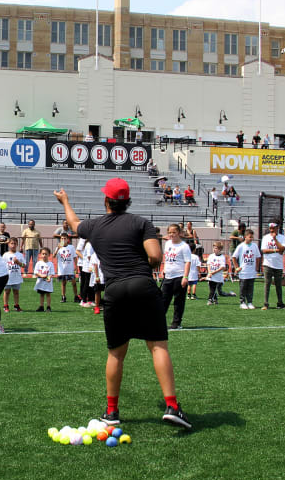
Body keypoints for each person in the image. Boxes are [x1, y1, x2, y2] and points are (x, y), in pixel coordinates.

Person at [53, 178, 191, 429]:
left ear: (106, 200)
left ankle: (112, 411)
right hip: (143, 285)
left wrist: (65, 201)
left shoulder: (95, 226)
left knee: (116, 353)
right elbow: (155, 256)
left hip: (115, 290)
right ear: (127, 201)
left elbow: (73, 224)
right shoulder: (141, 223)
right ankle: (172, 405)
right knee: (158, 346)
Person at [160, 224, 192, 329]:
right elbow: (166, 258)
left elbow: (187, 262)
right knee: (163, 300)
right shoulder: (168, 244)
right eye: (169, 232)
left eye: (174, 232)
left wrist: (185, 277)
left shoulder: (184, 246)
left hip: (179, 276)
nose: (171, 234)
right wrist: (164, 269)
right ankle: (159, 322)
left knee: (178, 301)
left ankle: (176, 323)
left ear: (179, 233)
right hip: (168, 276)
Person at [231, 229, 261, 310]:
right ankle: (242, 302)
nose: (251, 238)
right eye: (250, 237)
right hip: (243, 272)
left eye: (252, 237)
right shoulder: (241, 246)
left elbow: (258, 257)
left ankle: (250, 302)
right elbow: (234, 257)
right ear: (245, 237)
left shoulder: (254, 246)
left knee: (250, 287)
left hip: (252, 271)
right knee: (243, 287)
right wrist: (237, 267)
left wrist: (257, 267)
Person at [261, 222, 285, 310]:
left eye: (273, 228)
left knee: (278, 285)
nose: (272, 230)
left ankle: (280, 303)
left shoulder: (282, 237)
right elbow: (264, 250)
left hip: (278, 264)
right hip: (268, 263)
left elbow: (282, 249)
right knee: (267, 284)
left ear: (277, 228)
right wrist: (276, 250)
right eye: (270, 228)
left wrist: (275, 239)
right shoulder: (265, 237)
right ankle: (265, 303)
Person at [2, 238, 25, 313]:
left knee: (16, 292)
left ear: (17, 245)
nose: (13, 245)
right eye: (11, 243)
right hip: (7, 277)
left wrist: (18, 262)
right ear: (8, 244)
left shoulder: (20, 255)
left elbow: (24, 265)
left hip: (16, 277)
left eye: (15, 243)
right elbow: (2, 265)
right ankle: (5, 305)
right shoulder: (5, 255)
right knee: (7, 291)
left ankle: (16, 305)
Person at [53, 233, 76, 303]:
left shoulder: (71, 247)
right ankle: (63, 296)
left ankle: (76, 296)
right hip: (62, 269)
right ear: (60, 239)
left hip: (70, 268)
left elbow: (75, 257)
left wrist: (76, 266)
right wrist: (58, 248)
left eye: (64, 238)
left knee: (74, 283)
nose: (63, 240)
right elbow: (53, 256)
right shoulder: (58, 248)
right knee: (63, 283)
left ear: (67, 239)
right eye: (62, 238)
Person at [33, 248, 54, 312]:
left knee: (48, 294)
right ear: (40, 254)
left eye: (46, 254)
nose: (44, 255)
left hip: (48, 282)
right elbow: (36, 272)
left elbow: (52, 273)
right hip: (40, 282)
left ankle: (48, 307)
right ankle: (41, 306)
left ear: (49, 255)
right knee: (41, 294)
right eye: (43, 254)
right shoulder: (38, 263)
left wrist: (49, 278)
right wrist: (41, 276)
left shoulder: (51, 264)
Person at [76, 238, 94, 306]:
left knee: (89, 283)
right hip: (88, 266)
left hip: (89, 265)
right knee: (86, 283)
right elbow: (89, 257)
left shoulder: (90, 244)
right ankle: (83, 300)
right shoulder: (89, 244)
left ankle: (90, 300)